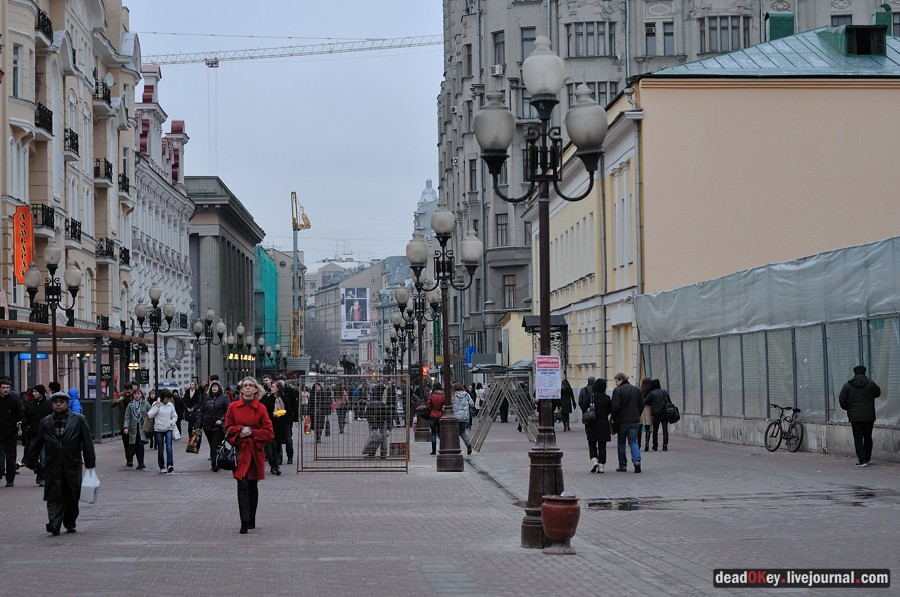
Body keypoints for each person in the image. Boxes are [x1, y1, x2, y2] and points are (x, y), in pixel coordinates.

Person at [24, 391, 96, 535]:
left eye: (61, 402)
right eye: (55, 402)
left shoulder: (78, 420)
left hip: (72, 463)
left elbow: (87, 441)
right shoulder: (45, 422)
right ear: (51, 404)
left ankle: (70, 522)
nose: (58, 404)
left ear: (67, 404)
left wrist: (90, 461)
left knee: (72, 495)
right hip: (53, 464)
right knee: (53, 494)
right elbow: (37, 443)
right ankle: (54, 524)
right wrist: (30, 460)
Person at [224, 376, 274, 534]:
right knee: (242, 484)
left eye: (250, 385)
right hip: (240, 452)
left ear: (255, 389)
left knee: (252, 485)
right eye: (244, 385)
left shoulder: (261, 408)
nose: (247, 387)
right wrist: (239, 430)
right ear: (241, 389)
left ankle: (251, 518)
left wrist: (252, 432)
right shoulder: (233, 407)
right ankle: (244, 522)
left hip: (254, 452)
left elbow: (269, 433)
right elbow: (227, 428)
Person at [839, 365, 882, 467]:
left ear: (855, 373)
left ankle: (862, 461)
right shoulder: (871, 384)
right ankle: (867, 458)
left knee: (858, 438)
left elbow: (842, 400)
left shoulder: (847, 385)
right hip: (869, 415)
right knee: (868, 436)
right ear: (864, 372)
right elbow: (878, 393)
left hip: (855, 416)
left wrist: (849, 408)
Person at [611, 372, 643, 473]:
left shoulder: (617, 391)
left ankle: (623, 465)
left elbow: (615, 407)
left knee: (621, 443)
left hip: (622, 421)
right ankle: (637, 462)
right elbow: (642, 404)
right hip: (634, 420)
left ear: (620, 380)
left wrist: (614, 418)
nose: (616, 384)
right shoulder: (636, 389)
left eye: (616, 381)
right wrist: (637, 414)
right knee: (633, 442)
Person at [22, 384, 53, 486]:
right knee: (33, 457)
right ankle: (39, 471)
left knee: (44, 458)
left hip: (45, 434)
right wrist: (22, 422)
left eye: (36, 392)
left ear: (41, 393)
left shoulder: (49, 404)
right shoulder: (31, 404)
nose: (34, 393)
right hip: (33, 434)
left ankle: (43, 477)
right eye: (33, 392)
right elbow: (26, 417)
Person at [580, 378, 612, 473]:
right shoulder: (607, 398)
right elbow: (610, 410)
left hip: (592, 424)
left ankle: (594, 460)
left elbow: (583, 407)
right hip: (604, 424)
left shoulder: (590, 396)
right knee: (602, 446)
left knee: (592, 443)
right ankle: (601, 466)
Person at [198, 380, 230, 471]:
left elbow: (228, 411)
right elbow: (202, 412)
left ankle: (215, 464)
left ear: (219, 388)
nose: (214, 388)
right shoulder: (206, 397)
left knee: (215, 444)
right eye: (213, 386)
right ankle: (217, 460)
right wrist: (198, 425)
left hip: (218, 426)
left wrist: (222, 420)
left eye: (216, 386)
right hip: (207, 425)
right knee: (212, 445)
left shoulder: (224, 397)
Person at [0, 378, 24, 487]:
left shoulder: (14, 400)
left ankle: (10, 479)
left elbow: (21, 413)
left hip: (11, 432)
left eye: (7, 387)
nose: (6, 390)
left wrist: (19, 421)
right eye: (3, 387)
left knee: (10, 457)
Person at [147, 389, 178, 473]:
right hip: (158, 429)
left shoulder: (170, 405)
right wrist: (156, 407)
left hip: (168, 428)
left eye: (168, 398)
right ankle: (162, 466)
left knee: (169, 447)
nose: (167, 400)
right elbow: (150, 415)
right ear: (162, 397)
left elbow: (175, 416)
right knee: (160, 449)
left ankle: (170, 465)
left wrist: (171, 422)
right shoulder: (156, 404)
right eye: (166, 398)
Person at [122, 389, 150, 469]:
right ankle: (131, 460)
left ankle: (141, 463)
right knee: (134, 445)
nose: (137, 395)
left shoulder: (146, 404)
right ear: (133, 395)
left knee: (140, 444)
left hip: (142, 428)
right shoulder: (130, 405)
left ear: (141, 395)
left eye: (138, 394)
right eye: (135, 394)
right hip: (133, 428)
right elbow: (127, 417)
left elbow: (151, 413)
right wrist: (126, 427)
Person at [110, 383, 134, 466]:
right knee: (126, 442)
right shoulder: (120, 395)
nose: (127, 394)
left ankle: (132, 454)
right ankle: (129, 460)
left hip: (134, 422)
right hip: (123, 423)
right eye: (125, 392)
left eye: (129, 392)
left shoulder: (135, 395)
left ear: (132, 390)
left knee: (134, 442)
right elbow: (112, 404)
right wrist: (118, 400)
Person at [450, 382, 474, 455]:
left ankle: (457, 447)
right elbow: (472, 404)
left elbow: (448, 404)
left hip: (456, 417)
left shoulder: (453, 395)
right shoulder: (466, 394)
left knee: (455, 433)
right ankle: (468, 443)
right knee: (462, 432)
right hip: (465, 417)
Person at [426, 382, 445, 455]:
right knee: (440, 433)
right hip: (440, 415)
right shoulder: (443, 395)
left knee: (433, 433)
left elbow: (428, 405)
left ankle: (433, 450)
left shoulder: (432, 395)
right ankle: (443, 447)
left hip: (433, 415)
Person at [638, 377, 654, 452]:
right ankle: (647, 443)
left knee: (639, 427)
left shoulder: (640, 390)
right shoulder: (651, 391)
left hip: (640, 409)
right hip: (648, 408)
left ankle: (638, 444)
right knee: (648, 427)